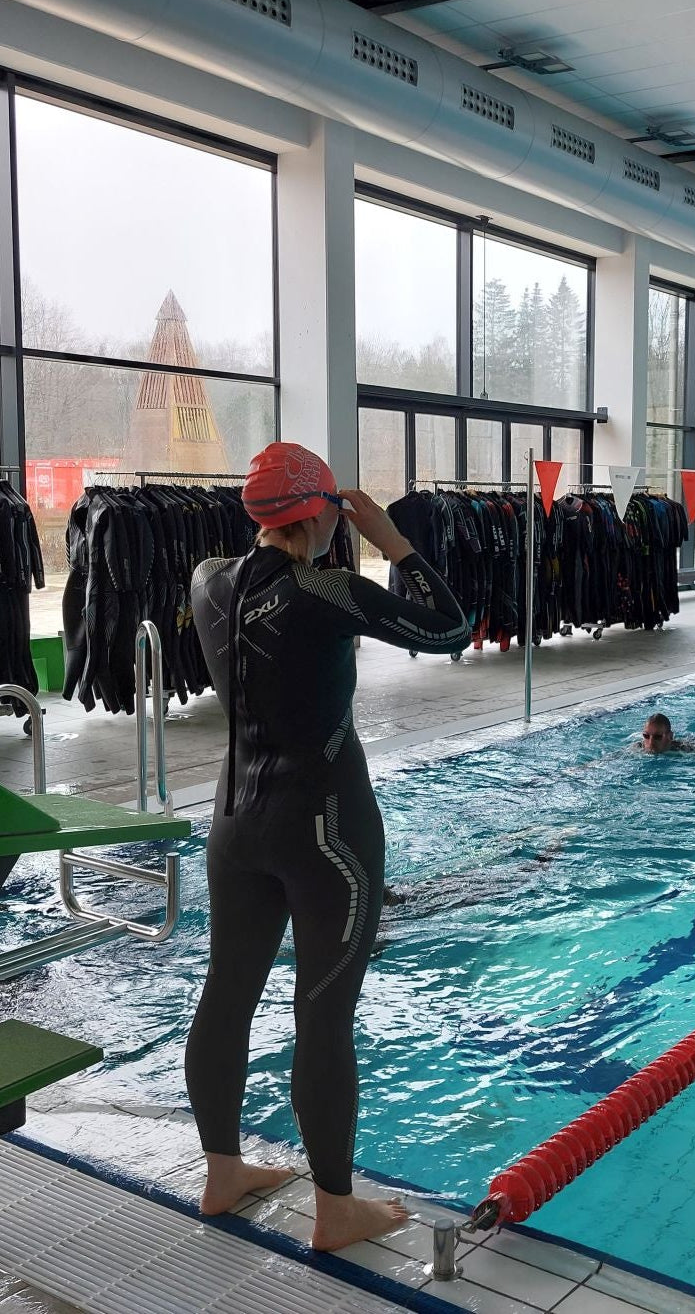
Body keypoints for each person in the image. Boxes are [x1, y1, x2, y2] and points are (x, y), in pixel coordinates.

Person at [184, 442, 471, 1251]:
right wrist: (394, 542)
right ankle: (336, 1209)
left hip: (235, 823)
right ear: (320, 514)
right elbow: (451, 627)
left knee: (226, 993)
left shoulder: (208, 579)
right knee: (322, 1013)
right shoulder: (327, 589)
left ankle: (222, 1172)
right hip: (326, 832)